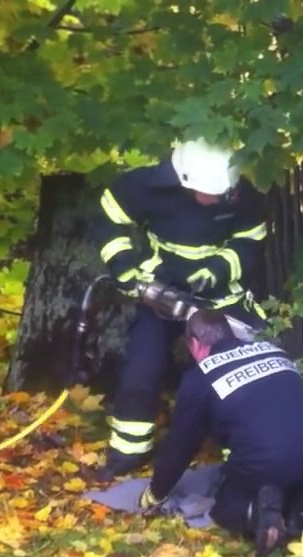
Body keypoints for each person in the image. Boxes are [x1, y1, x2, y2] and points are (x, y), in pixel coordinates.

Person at [91, 137, 269, 480]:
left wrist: (216, 271)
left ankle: (243, 453)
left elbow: (250, 241)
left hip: (218, 297)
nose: (215, 200)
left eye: (221, 194)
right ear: (183, 180)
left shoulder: (239, 191)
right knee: (143, 365)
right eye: (208, 194)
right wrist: (126, 269)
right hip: (163, 293)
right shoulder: (146, 186)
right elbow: (109, 218)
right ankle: (129, 451)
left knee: (238, 368)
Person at [137, 310, 303, 557]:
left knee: (226, 506)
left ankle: (259, 515)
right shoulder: (272, 351)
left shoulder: (200, 378)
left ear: (195, 344)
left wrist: (156, 493)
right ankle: (299, 511)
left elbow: (180, 446)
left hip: (265, 462)